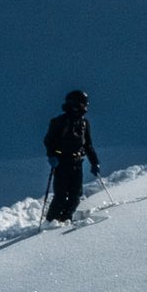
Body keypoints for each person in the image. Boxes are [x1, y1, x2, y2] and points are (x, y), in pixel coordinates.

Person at [43, 90, 100, 223]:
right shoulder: (59, 121)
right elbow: (48, 141)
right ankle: (51, 222)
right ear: (74, 103)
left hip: (77, 162)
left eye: (85, 104)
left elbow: (88, 145)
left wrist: (94, 162)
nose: (85, 107)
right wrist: (51, 156)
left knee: (76, 195)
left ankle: (65, 220)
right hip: (61, 162)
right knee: (61, 195)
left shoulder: (84, 123)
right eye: (83, 103)